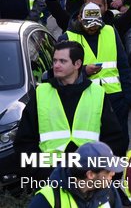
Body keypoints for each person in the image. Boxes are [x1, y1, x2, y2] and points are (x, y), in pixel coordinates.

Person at [14, 41, 124, 182]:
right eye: (55, 60)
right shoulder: (41, 93)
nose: (56, 65)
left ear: (77, 64)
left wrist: (101, 173)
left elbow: (114, 140)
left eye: (62, 61)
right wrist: (40, 173)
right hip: (50, 176)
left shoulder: (98, 94)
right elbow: (24, 141)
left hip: (89, 176)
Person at [60, 2, 131, 151]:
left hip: (114, 98)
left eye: (96, 24)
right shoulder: (67, 38)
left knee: (118, 143)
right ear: (80, 18)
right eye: (89, 24)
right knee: (89, 145)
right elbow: (60, 73)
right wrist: (84, 71)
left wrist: (128, 97)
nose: (93, 28)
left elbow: (124, 65)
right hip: (85, 100)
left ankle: (116, 173)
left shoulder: (110, 32)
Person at [29, 142, 124, 208]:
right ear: (90, 174)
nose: (113, 173)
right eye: (108, 171)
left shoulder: (109, 190)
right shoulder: (49, 198)